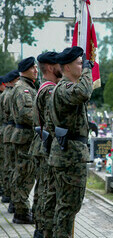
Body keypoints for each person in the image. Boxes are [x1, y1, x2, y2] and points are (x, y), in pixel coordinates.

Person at [48, 46, 94, 237]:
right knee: (68, 208)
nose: (83, 66)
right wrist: (89, 70)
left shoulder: (65, 88)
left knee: (67, 207)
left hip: (69, 154)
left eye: (83, 63)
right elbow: (84, 92)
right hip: (70, 157)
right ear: (67, 67)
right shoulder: (65, 88)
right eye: (79, 63)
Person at [30, 51, 62, 238]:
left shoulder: (44, 87)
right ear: (50, 67)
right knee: (49, 193)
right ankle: (43, 230)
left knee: (44, 189)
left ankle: (40, 228)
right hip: (48, 147)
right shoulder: (50, 90)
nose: (62, 68)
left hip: (42, 145)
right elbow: (55, 122)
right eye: (59, 64)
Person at [10, 57, 38, 224]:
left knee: (25, 174)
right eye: (33, 68)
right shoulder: (23, 89)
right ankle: (21, 212)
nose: (36, 70)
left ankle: (21, 209)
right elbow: (25, 114)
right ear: (26, 69)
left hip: (26, 136)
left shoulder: (26, 87)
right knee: (23, 175)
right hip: (24, 137)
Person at [1, 70, 20, 214]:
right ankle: (10, 196)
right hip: (10, 129)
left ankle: (8, 193)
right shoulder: (10, 94)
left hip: (6, 130)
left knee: (7, 164)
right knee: (12, 165)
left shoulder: (5, 95)